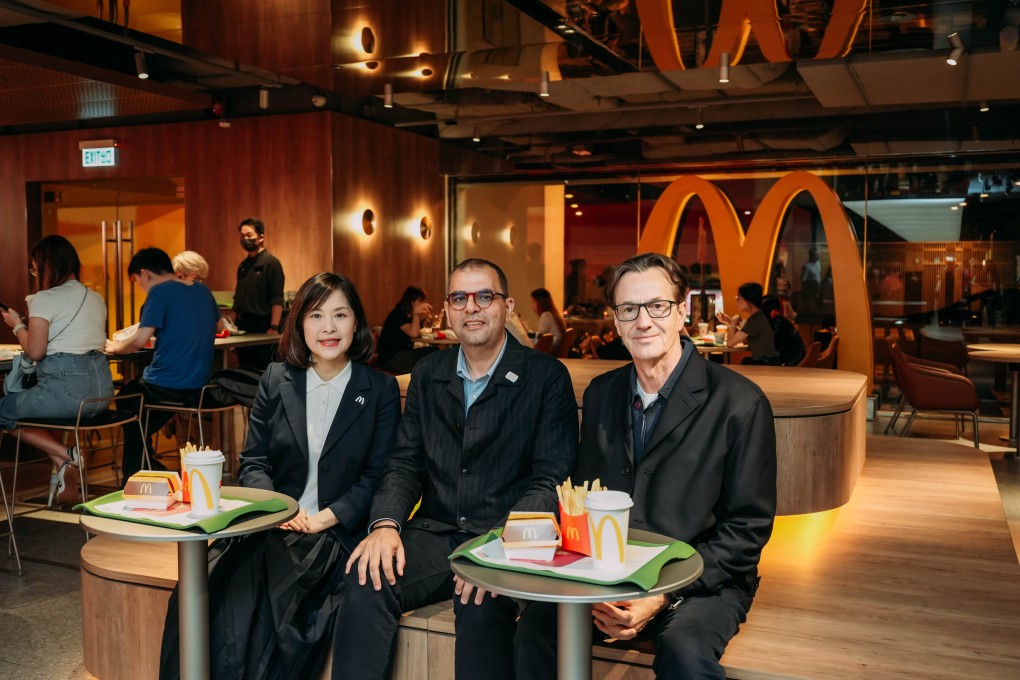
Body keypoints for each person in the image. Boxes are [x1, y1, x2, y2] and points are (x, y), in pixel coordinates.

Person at [517, 253, 777, 680]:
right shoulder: (601, 394)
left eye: (657, 306)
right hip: (609, 572)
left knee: (685, 657)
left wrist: (659, 596)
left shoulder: (740, 403)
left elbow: (746, 531)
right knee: (536, 632)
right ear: (616, 322)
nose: (643, 322)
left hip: (700, 578)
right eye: (628, 309)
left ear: (682, 312)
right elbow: (585, 494)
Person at [331, 258, 578, 680]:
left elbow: (550, 477)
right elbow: (405, 463)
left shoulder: (546, 376)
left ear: (507, 306)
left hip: (506, 536)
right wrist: (386, 524)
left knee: (479, 604)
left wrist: (499, 545)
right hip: (438, 532)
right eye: (459, 298)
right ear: (447, 310)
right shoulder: (429, 373)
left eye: (485, 296)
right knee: (366, 576)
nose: (472, 307)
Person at [159, 272, 400, 680]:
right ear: (299, 323)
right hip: (270, 522)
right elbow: (253, 462)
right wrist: (277, 509)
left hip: (330, 532)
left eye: (340, 315)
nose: (328, 328)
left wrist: (326, 517)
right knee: (203, 587)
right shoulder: (276, 379)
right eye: (316, 315)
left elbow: (379, 475)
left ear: (356, 323)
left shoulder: (379, 389)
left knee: (275, 596)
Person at [0, 235, 112, 505]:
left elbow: (36, 351)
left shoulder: (44, 299)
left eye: (35, 267)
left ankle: (68, 454)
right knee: (30, 412)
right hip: (100, 395)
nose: (34, 273)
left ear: (47, 265)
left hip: (66, 393)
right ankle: (64, 464)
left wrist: (16, 325)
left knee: (5, 409)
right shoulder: (95, 297)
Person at [105, 248, 221, 481]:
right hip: (199, 385)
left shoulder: (159, 292)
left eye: (137, 281)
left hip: (168, 385)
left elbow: (139, 339)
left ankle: (134, 475)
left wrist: (114, 347)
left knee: (127, 400)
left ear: (144, 274)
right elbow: (217, 328)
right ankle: (147, 465)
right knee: (138, 407)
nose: (140, 287)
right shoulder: (203, 291)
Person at [234, 217, 285, 369]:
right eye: (242, 236)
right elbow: (239, 296)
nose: (245, 239)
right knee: (245, 368)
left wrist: (273, 327)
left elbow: (277, 298)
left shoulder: (271, 263)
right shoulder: (243, 265)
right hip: (242, 326)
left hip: (262, 326)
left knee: (263, 369)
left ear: (261, 236)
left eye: (249, 235)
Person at [376, 286, 436, 374]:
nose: (422, 304)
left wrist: (423, 319)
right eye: (420, 301)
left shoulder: (406, 315)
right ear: (411, 301)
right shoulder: (397, 314)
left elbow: (419, 332)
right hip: (390, 359)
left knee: (433, 351)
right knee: (433, 352)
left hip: (399, 355)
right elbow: (414, 334)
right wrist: (416, 314)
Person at [716, 282, 780, 365]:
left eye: (739, 298)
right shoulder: (758, 316)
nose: (737, 301)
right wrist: (729, 322)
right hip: (768, 362)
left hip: (765, 365)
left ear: (748, 300)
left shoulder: (756, 320)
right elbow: (745, 340)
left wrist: (732, 323)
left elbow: (730, 343)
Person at [761, 295, 806, 366]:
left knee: (748, 362)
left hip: (788, 365)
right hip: (793, 362)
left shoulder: (778, 324)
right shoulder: (782, 322)